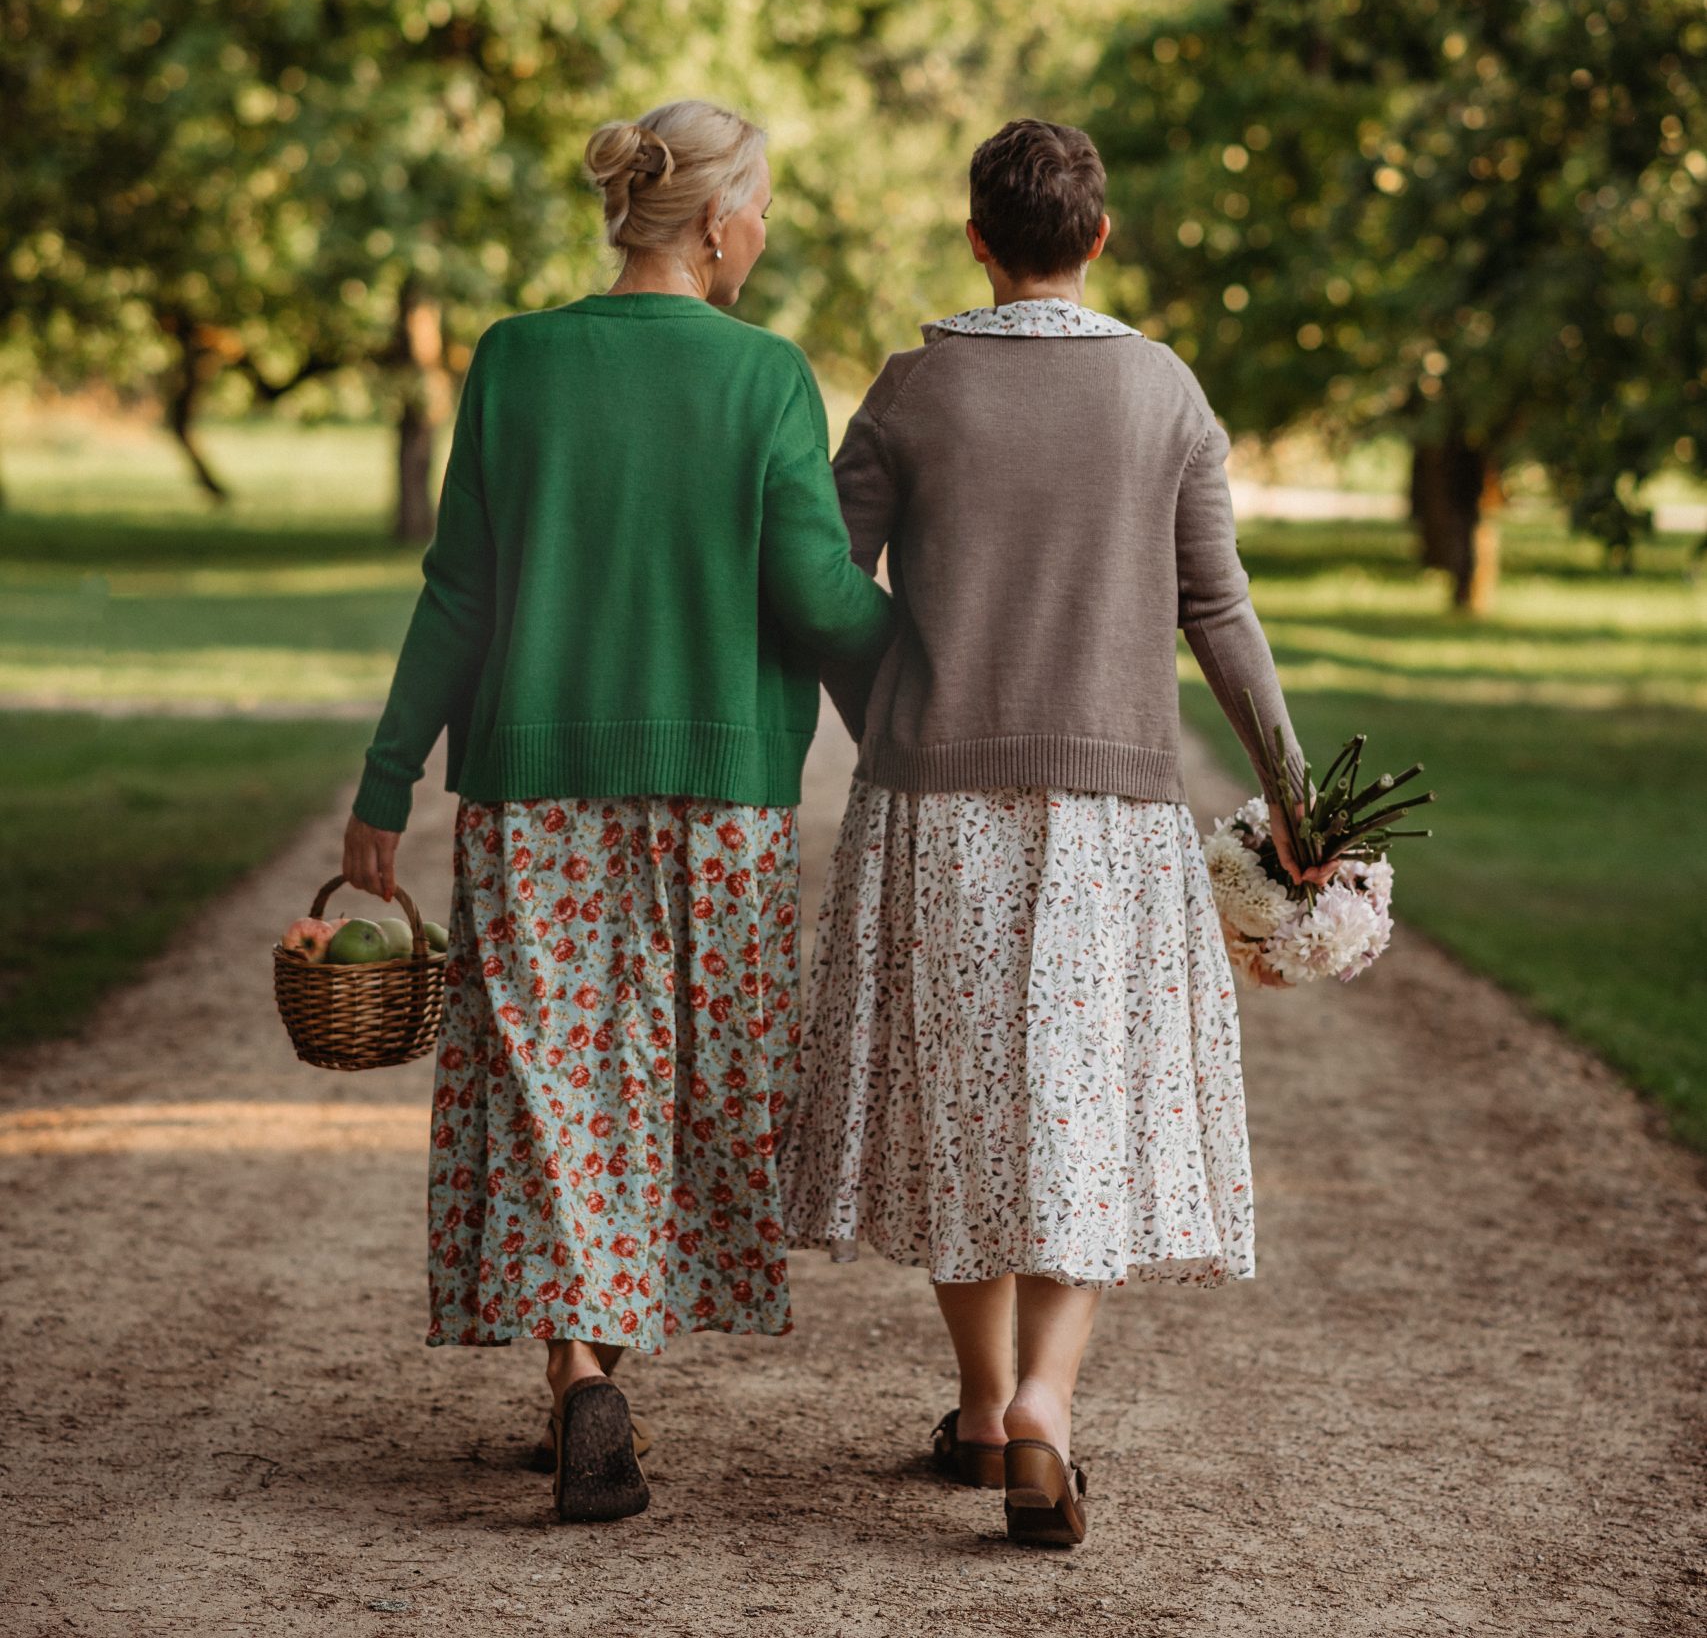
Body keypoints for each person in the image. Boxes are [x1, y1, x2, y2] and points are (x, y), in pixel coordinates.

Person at [343, 100, 893, 1524]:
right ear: (721, 227)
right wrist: (953, 644)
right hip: (717, 807)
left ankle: (582, 1369)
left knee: (551, 1078)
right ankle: (595, 1352)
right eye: (760, 204)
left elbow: (457, 590)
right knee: (676, 1076)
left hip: (533, 792)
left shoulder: (516, 361)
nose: (764, 228)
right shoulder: (769, 378)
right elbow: (821, 600)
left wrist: (384, 785)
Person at [782, 118, 1309, 1551]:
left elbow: (824, 579)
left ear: (976, 237)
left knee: (958, 1107)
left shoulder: (912, 388)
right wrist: (1291, 777)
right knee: (1084, 1111)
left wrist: (887, 697)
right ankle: (1045, 1411)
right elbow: (1220, 610)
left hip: (933, 807)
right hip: (1112, 818)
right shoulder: (1164, 392)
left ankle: (979, 1400)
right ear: (1101, 235)